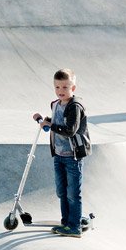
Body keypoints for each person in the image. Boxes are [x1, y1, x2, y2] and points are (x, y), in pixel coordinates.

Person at [33, 68, 91, 238]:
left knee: (73, 193)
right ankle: (67, 222)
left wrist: (51, 126)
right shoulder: (55, 104)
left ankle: (75, 227)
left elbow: (70, 130)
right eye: (57, 87)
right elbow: (58, 122)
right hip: (59, 155)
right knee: (61, 191)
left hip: (72, 156)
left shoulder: (75, 107)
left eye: (65, 87)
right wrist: (45, 120)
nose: (61, 91)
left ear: (73, 88)